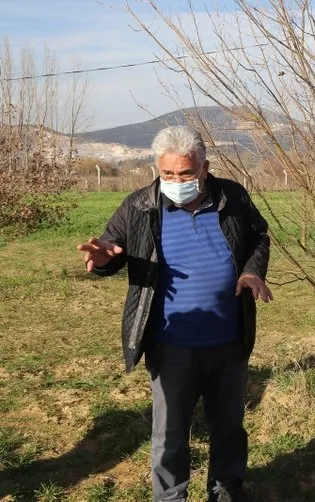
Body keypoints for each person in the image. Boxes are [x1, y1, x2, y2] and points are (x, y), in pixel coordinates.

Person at [76, 126, 272, 502]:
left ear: (205, 167)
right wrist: (101, 261)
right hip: (171, 346)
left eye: (186, 173)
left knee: (229, 427)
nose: (177, 181)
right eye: (168, 174)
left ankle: (226, 490)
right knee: (169, 434)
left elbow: (258, 237)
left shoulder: (233, 196)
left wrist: (251, 271)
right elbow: (111, 250)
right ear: (157, 169)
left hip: (229, 341)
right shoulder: (138, 206)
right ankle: (170, 498)